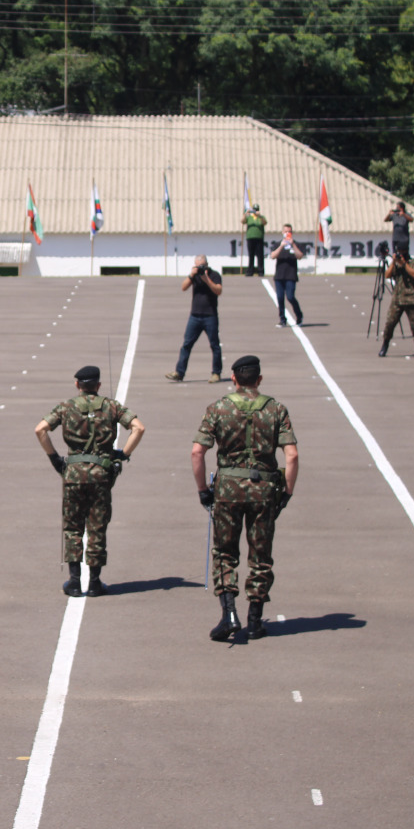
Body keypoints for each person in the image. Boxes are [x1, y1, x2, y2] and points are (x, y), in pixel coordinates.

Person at [192, 355, 298, 641]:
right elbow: (292, 455)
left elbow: (197, 452)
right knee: (260, 555)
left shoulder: (218, 408)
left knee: (225, 552)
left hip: (227, 490)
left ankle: (228, 614)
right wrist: (287, 492)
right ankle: (255, 618)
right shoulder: (276, 409)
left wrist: (203, 490)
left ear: (235, 379)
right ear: (259, 380)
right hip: (264, 490)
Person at [35, 365, 145, 597]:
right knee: (97, 527)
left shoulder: (67, 407)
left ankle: (74, 582)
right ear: (99, 385)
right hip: (101, 475)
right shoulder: (111, 406)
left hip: (73, 474)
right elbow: (138, 427)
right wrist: (122, 454)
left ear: (78, 385)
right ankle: (95, 582)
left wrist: (55, 458)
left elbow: (41, 430)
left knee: (73, 526)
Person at [165, 255, 223, 384]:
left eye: (202, 265)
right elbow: (183, 287)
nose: (200, 268)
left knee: (215, 345)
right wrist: (192, 275)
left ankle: (216, 373)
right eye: (197, 265)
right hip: (195, 316)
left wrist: (206, 279)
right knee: (186, 345)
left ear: (207, 264)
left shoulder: (214, 275)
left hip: (210, 315)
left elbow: (218, 290)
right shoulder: (195, 275)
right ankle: (179, 372)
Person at [377, 241, 414, 358]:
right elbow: (387, 275)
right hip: (397, 299)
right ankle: (385, 344)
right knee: (390, 323)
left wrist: (404, 264)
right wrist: (393, 262)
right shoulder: (396, 263)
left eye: (402, 253)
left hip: (411, 298)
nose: (400, 255)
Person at [271, 224, 304, 327]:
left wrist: (292, 244)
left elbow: (300, 256)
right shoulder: (278, 244)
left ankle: (299, 315)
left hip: (291, 276)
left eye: (289, 232)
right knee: (280, 298)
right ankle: (282, 319)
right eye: (285, 232)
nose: (287, 233)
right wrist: (282, 245)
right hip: (279, 276)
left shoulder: (296, 244)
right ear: (282, 232)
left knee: (290, 297)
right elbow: (273, 256)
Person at [242, 204, 267, 277]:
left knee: (260, 255)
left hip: (259, 238)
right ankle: (250, 271)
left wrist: (260, 216)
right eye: (254, 210)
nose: (255, 211)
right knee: (251, 255)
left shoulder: (261, 217)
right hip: (250, 238)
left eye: (257, 210)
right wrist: (245, 214)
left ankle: (261, 271)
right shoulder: (249, 218)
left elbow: (265, 223)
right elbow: (243, 221)